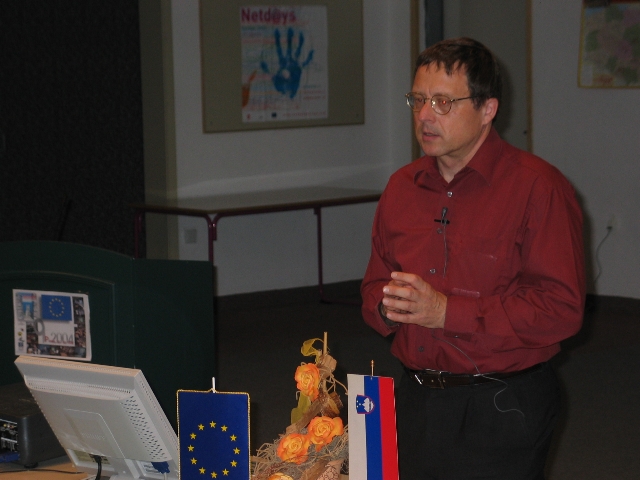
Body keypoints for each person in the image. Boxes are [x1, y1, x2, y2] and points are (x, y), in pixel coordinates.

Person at [361, 37, 585, 480]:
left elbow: (561, 309)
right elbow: (373, 287)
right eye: (418, 100)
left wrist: (447, 312)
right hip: (415, 398)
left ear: (487, 109)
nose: (425, 115)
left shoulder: (538, 188)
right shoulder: (401, 187)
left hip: (501, 403)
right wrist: (387, 308)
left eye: (443, 102)